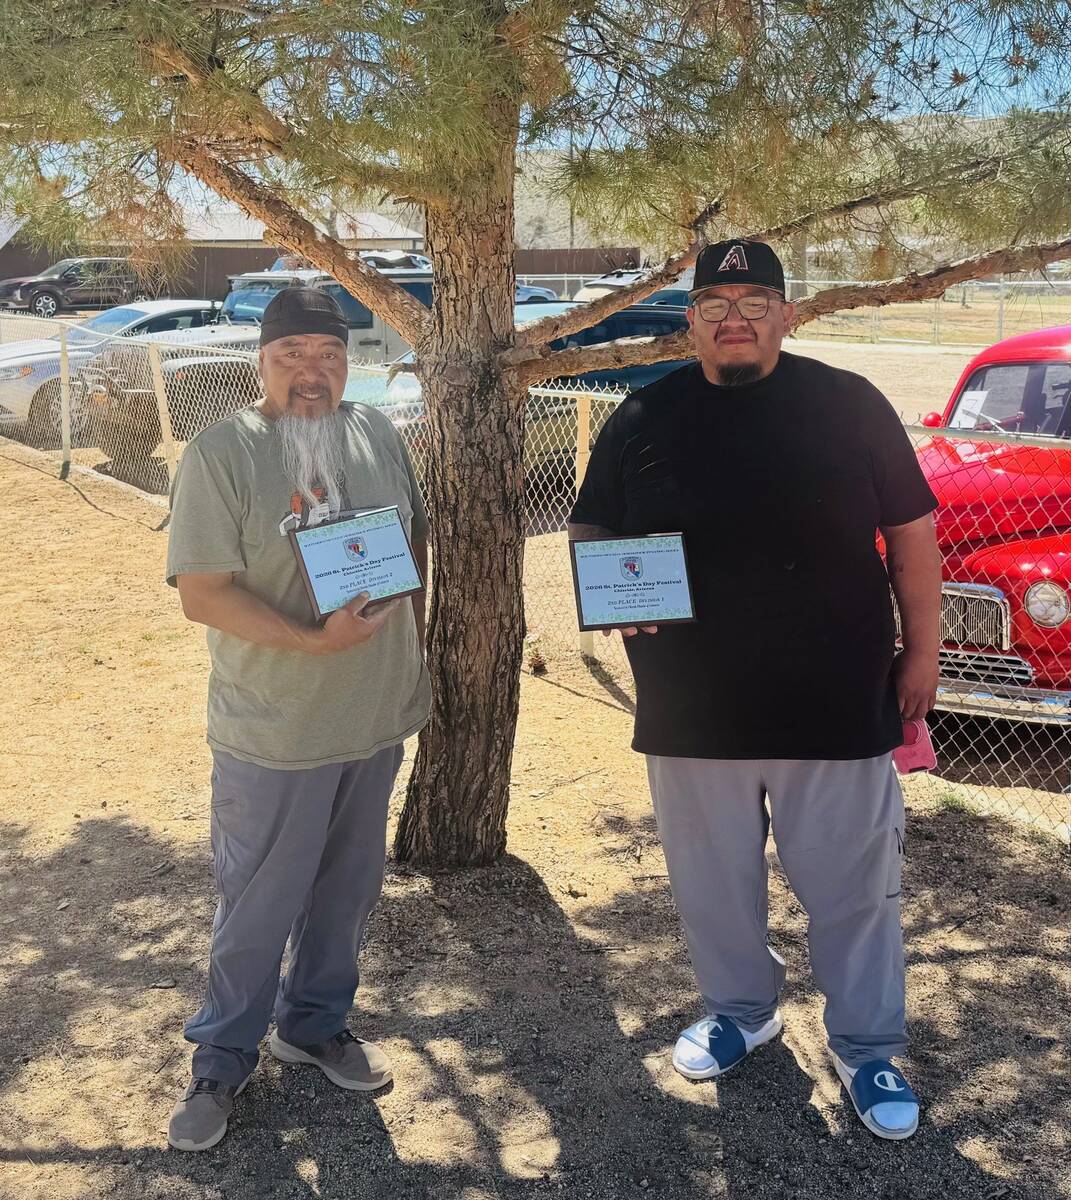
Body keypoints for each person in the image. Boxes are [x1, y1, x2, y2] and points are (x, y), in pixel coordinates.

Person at [568, 239, 940, 1141]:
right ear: (690, 319)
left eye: (753, 299)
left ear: (785, 313)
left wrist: (921, 653)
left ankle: (864, 1045)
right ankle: (741, 1011)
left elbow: (913, 531)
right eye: (714, 302)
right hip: (692, 706)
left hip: (836, 697)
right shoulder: (643, 414)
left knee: (852, 891)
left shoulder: (846, 404)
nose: (733, 315)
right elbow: (589, 524)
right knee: (711, 886)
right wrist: (607, 584)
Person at [164, 287, 431, 1151]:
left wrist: (389, 622)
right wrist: (312, 643)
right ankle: (220, 1059)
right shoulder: (223, 452)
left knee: (348, 894)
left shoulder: (375, 431)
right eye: (292, 356)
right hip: (275, 730)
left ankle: (313, 1027)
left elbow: (410, 538)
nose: (311, 374)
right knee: (255, 905)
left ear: (347, 362)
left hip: (373, 718)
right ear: (262, 360)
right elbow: (203, 595)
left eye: (328, 355)